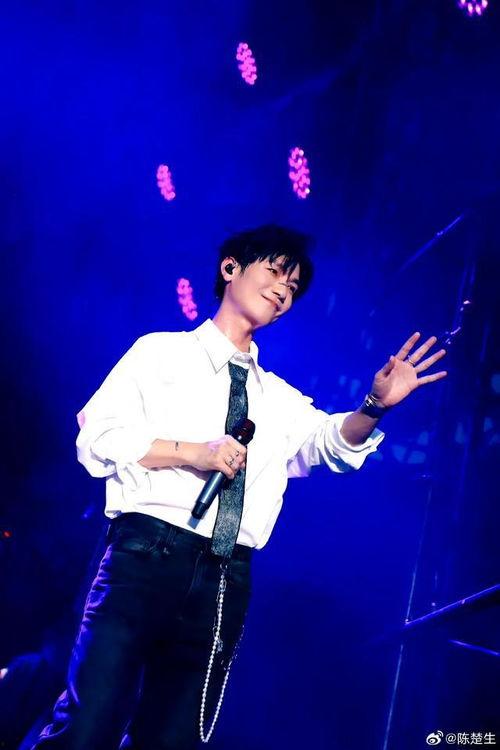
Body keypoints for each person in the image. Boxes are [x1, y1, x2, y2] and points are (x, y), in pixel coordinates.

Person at [30, 224, 447, 750]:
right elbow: (99, 436)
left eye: (292, 288)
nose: (283, 291)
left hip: (226, 578)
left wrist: (375, 405)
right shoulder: (160, 353)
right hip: (146, 554)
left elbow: (331, 445)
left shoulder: (280, 398)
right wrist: (194, 452)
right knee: (88, 724)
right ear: (231, 268)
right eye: (275, 272)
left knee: (174, 738)